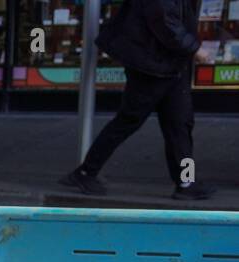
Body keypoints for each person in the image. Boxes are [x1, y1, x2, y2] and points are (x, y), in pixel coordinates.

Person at [61, 0, 214, 200]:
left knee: (180, 124)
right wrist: (195, 49)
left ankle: (186, 182)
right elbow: (164, 22)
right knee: (128, 121)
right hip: (150, 67)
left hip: (171, 65)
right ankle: (85, 172)